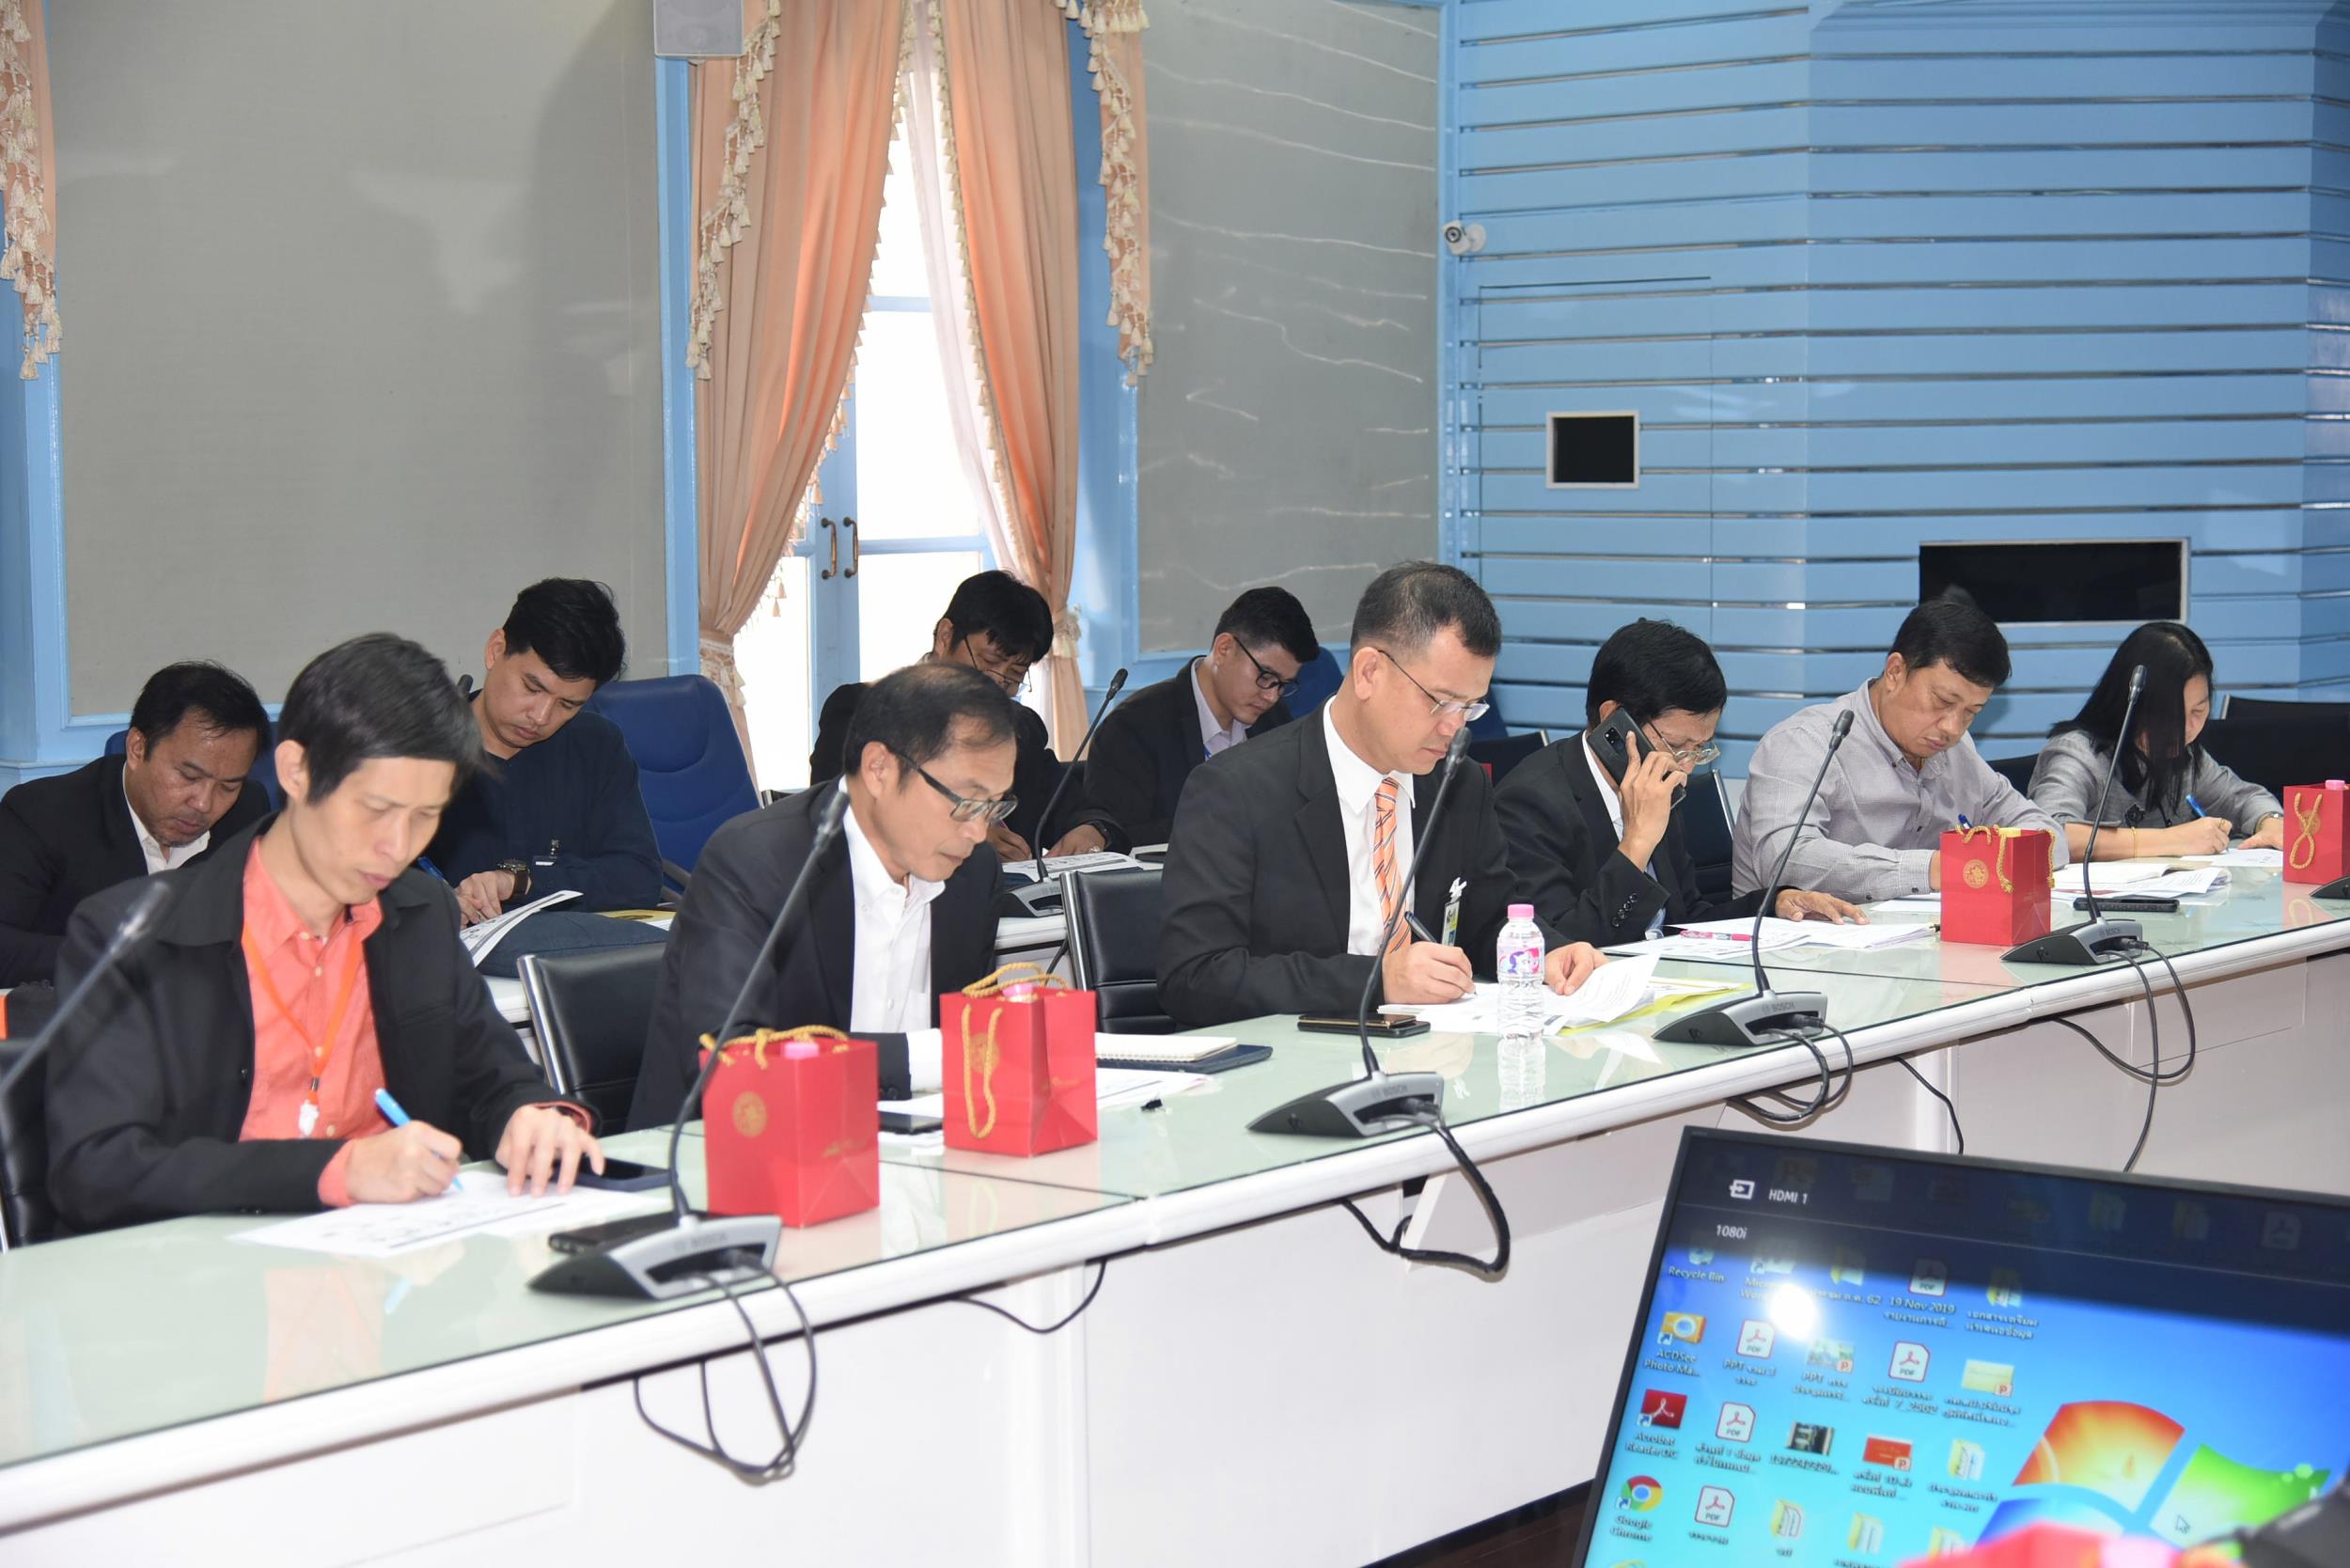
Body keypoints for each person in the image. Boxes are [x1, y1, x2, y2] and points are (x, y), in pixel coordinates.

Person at [45, 634, 601, 1234]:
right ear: (297, 771)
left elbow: (493, 1076)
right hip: (203, 1264)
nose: (397, 847)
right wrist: (334, 1171)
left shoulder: (418, 914)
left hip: (393, 1254)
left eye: (425, 817)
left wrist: (530, 1116)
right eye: (376, 810)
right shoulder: (137, 937)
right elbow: (95, 1172)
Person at [1156, 561, 1606, 1027]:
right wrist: (1376, 980)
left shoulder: (1458, 783)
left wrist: (1545, 953)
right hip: (1291, 1059)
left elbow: (1485, 921)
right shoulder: (1236, 790)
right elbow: (1194, 977)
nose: (1454, 728)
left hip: (1434, 1052)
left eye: (1470, 707)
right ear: (1369, 671)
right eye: (1441, 702)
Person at [629, 663, 1017, 1130]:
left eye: (994, 806)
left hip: (906, 1151)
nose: (978, 832)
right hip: (727, 1153)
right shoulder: (757, 862)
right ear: (879, 769)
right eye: (966, 802)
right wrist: (927, 1058)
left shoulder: (973, 874)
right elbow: (733, 1063)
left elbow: (969, 1035)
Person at [1496, 619, 1863, 947]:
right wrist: (1637, 843)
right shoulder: (1529, 803)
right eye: (1676, 746)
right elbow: (1564, 946)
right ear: (1613, 721)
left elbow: (1683, 920)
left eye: (1699, 749)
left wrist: (1773, 905)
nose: (1684, 770)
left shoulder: (1658, 782)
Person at [1731, 597, 2067, 904]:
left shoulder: (1956, 750)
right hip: (1797, 944)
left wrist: (2000, 856)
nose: (1953, 727)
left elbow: (2046, 834)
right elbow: (1785, 859)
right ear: (1895, 672)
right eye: (1943, 701)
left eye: (1971, 712)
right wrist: (1933, 869)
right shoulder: (1806, 742)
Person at [807, 570, 1122, 862]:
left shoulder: (1018, 728)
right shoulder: (862, 711)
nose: (997, 683)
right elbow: (843, 817)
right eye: (989, 661)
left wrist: (1092, 831)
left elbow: (1078, 809)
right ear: (946, 636)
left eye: (1015, 673)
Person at [0, 661, 272, 986]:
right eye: (189, 776)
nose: (204, 803)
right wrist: (127, 958)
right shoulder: (43, 814)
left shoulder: (248, 808)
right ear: (137, 748)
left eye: (228, 786)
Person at [425, 578, 662, 923]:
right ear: (496, 650)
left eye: (568, 705)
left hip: (570, 950)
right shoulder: (414, 749)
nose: (541, 717)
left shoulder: (596, 746)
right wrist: (433, 904)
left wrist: (521, 883)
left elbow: (637, 878)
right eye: (532, 688)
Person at [1083, 587, 1319, 847]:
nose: (1272, 696)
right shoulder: (1133, 727)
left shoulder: (1274, 721)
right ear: (1224, 649)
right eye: (1266, 676)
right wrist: (1228, 822)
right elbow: (1118, 835)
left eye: (1283, 684)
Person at [2029, 620, 2283, 861]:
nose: (2187, 728)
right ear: (2132, 704)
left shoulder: (2186, 758)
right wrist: (2172, 839)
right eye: (2171, 716)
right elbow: (2049, 836)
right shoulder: (2078, 754)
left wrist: (2270, 822)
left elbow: (2246, 798)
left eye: (2198, 711)